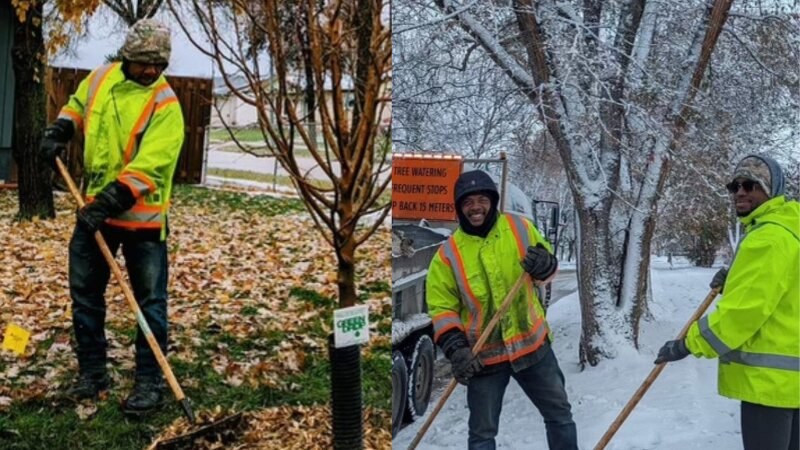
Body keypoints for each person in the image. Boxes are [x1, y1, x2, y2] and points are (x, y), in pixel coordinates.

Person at [39, 19, 185, 415]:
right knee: (85, 294)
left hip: (142, 222)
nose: (151, 71)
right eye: (144, 63)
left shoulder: (166, 105)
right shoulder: (100, 78)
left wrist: (106, 203)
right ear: (127, 56)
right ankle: (91, 373)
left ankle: (149, 383)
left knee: (149, 303)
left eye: (159, 64)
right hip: (94, 213)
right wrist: (60, 130)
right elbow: (77, 106)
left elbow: (151, 167)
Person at [654, 154, 799, 450]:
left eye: (751, 184)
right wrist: (735, 278)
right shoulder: (790, 232)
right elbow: (782, 294)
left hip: (769, 383)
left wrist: (687, 344)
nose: (740, 192)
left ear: (772, 190)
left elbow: (741, 315)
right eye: (734, 186)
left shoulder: (766, 238)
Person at [426, 170, 578, 450]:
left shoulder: (520, 228)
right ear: (459, 207)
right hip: (484, 357)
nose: (475, 207)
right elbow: (442, 308)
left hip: (532, 348)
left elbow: (547, 269)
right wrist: (457, 349)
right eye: (468, 202)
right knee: (482, 435)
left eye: (482, 199)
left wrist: (544, 264)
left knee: (559, 415)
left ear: (493, 201)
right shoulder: (448, 255)